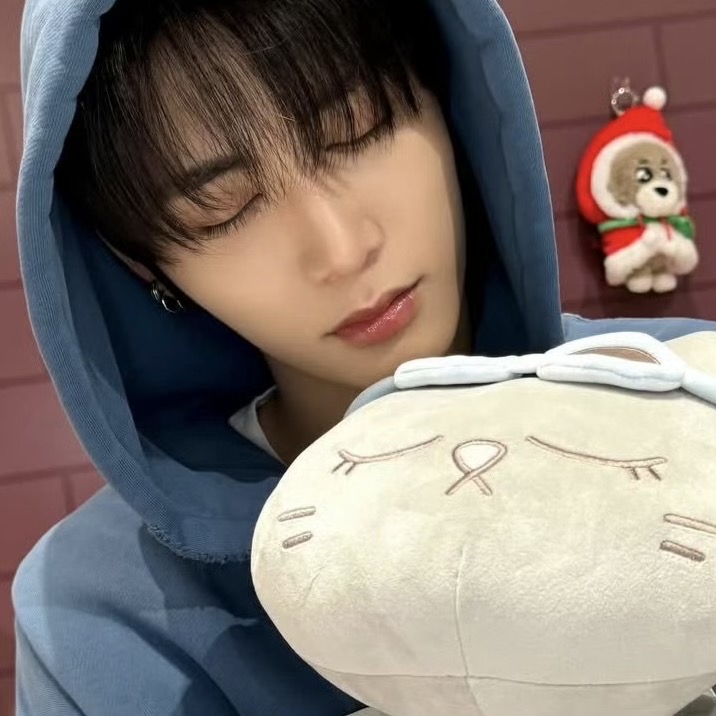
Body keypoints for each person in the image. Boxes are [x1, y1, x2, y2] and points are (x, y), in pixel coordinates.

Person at [12, 0, 715, 714]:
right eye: (223, 208)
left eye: (358, 128)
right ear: (144, 265)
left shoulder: (690, 402)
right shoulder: (101, 617)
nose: (343, 250)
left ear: (449, 96)